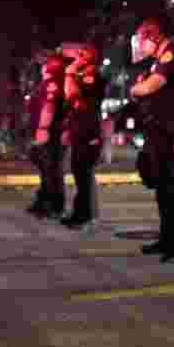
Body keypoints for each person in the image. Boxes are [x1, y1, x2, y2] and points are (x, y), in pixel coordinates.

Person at [128, 12, 174, 264]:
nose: (140, 45)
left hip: (167, 130)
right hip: (156, 129)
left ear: (153, 38)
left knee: (170, 187)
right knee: (161, 186)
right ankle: (167, 239)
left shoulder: (169, 56)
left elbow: (152, 86)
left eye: (142, 40)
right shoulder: (157, 60)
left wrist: (135, 89)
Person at [60, 43, 105, 229]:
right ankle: (83, 214)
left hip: (88, 134)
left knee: (83, 176)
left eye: (81, 54)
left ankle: (84, 217)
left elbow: (71, 96)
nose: (77, 56)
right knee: (82, 176)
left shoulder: (92, 76)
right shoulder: (85, 74)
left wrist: (70, 73)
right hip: (82, 132)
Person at [26, 54, 67, 219]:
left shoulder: (52, 84)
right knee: (46, 170)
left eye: (45, 64)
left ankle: (55, 206)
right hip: (48, 132)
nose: (42, 66)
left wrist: (43, 128)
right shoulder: (46, 83)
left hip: (51, 134)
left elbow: (48, 107)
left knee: (51, 170)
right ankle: (43, 202)